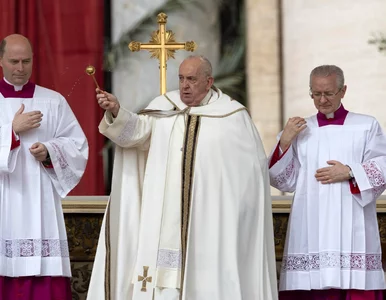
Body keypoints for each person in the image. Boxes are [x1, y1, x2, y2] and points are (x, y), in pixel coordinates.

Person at [87, 55, 278, 300]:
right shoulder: (164, 107)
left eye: (191, 79)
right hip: (165, 214)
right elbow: (134, 133)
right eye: (181, 78)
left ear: (208, 82)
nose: (184, 85)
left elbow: (252, 169)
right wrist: (116, 111)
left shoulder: (232, 116)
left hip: (210, 221)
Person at [269, 65, 386, 300]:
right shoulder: (300, 129)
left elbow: (383, 167)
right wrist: (285, 142)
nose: (322, 100)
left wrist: (351, 172)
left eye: (328, 93)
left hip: (353, 220)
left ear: (343, 91)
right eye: (316, 94)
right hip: (311, 222)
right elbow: (283, 180)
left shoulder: (365, 125)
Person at [0, 34, 88, 299]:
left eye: (26, 61)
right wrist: (12, 131)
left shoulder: (54, 101)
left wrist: (50, 151)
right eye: (14, 61)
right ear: (1, 60)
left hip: (40, 203)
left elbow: (78, 145)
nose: (20, 68)